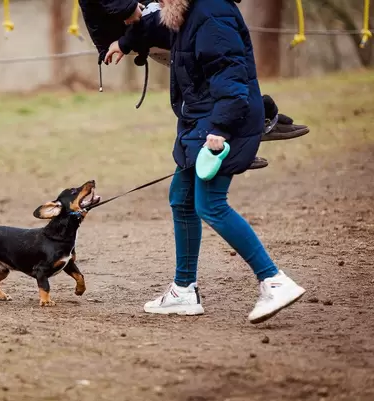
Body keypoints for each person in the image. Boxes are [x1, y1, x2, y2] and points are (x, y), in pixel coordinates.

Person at [103, 0, 306, 323]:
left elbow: (230, 76)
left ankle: (274, 280)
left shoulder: (212, 12)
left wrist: (221, 130)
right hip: (200, 122)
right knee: (181, 199)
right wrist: (124, 42)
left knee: (211, 204)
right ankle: (184, 290)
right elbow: (157, 27)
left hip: (221, 124)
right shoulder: (187, 11)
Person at [78, 0, 310, 171]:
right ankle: (245, 131)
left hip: (146, 22)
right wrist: (126, 9)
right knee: (208, 79)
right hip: (139, 22)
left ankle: (245, 130)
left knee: (215, 76)